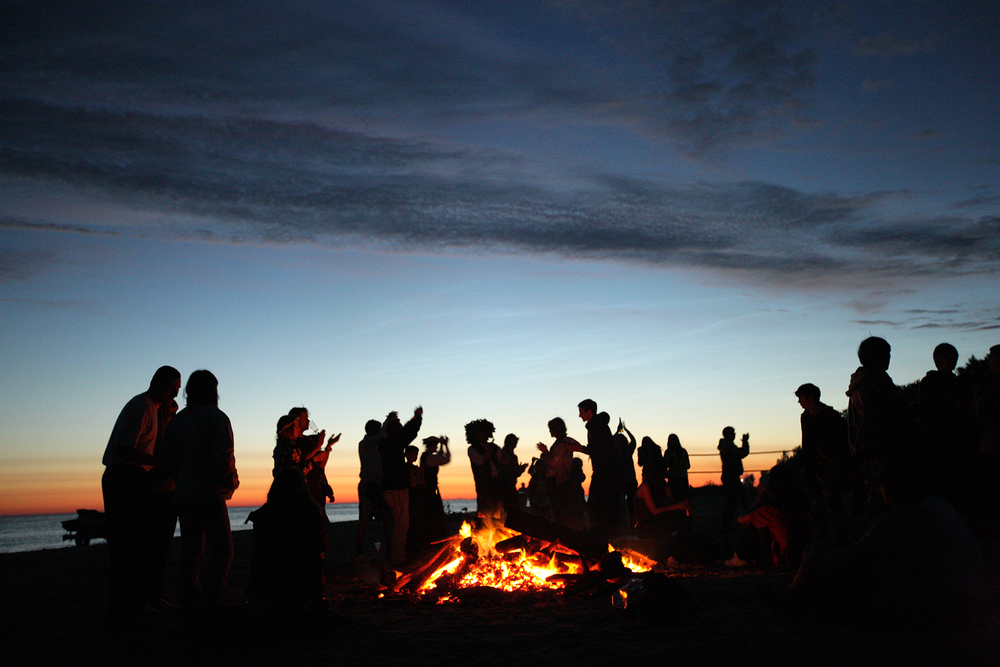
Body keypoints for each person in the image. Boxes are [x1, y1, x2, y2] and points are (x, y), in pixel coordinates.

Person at [101, 365, 181, 623]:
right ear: (159, 383)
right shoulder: (142, 407)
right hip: (124, 477)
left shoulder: (153, 410)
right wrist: (157, 463)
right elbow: (124, 449)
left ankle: (145, 598)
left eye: (177, 390)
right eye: (172, 388)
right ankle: (130, 604)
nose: (174, 394)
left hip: (133, 478)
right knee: (128, 545)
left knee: (140, 544)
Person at [159, 370, 239, 609]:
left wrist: (183, 478)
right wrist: (231, 482)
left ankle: (189, 603)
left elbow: (167, 462)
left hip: (184, 496)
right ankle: (209, 603)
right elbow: (224, 458)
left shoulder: (178, 421)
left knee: (191, 552)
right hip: (210, 495)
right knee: (223, 551)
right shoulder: (216, 417)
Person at [845, 336, 912, 516]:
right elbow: (899, 410)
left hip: (864, 453)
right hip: (881, 450)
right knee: (889, 506)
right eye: (887, 354)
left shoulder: (859, 383)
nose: (890, 358)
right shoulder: (878, 380)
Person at [247, 467, 328, 610]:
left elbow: (259, 553)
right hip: (299, 587)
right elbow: (320, 551)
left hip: (265, 589)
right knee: (315, 557)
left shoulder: (264, 514)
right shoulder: (310, 513)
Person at [794, 383, 851, 524]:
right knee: (820, 500)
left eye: (801, 398)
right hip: (814, 465)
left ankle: (839, 532)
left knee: (832, 499)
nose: (799, 401)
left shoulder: (829, 416)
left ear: (810, 398)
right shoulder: (807, 417)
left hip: (829, 465)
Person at [379, 407, 423, 566]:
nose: (400, 428)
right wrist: (416, 418)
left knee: (396, 522)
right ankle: (398, 558)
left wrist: (389, 420)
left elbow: (398, 432)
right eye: (398, 426)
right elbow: (409, 433)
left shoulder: (382, 442)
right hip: (397, 487)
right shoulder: (395, 442)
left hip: (388, 487)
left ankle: (395, 554)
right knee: (401, 524)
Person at [579, 398, 623, 540]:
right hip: (606, 471)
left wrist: (579, 448)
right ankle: (606, 535)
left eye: (581, 412)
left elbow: (597, 449)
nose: (580, 416)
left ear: (589, 411)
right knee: (602, 504)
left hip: (605, 472)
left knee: (596, 505)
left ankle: (602, 536)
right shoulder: (598, 425)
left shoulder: (597, 427)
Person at [536, 417, 587, 530]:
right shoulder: (563, 443)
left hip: (559, 482)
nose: (550, 432)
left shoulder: (562, 444)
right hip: (559, 481)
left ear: (555, 430)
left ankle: (564, 537)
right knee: (560, 513)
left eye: (551, 429)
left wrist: (545, 452)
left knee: (561, 513)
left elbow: (555, 464)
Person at [288, 407, 340, 515]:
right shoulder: (292, 444)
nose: (308, 421)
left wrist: (328, 447)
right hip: (305, 486)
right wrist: (318, 447)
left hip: (316, 484)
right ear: (295, 420)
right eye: (305, 418)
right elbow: (302, 461)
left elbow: (320, 466)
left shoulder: (310, 440)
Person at [355, 419, 384, 558]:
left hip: (378, 484)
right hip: (368, 484)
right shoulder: (365, 443)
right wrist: (388, 422)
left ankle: (383, 546)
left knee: (383, 515)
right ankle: (359, 547)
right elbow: (381, 435)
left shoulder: (376, 446)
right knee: (365, 517)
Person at [466, 418, 502, 519]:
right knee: (484, 510)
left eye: (483, 433)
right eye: (479, 434)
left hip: (496, 483)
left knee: (497, 509)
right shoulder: (472, 449)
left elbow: (502, 459)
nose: (481, 436)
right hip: (483, 484)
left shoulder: (494, 447)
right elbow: (480, 461)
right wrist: (489, 451)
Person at [718, 426, 750, 532]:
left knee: (733, 501)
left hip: (729, 476)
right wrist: (745, 442)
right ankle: (751, 520)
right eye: (733, 433)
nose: (734, 435)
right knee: (740, 500)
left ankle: (726, 526)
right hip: (731, 476)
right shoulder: (729, 446)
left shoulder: (726, 446)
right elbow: (742, 453)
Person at [498, 433, 528, 513]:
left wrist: (520, 469)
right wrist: (520, 469)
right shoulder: (505, 455)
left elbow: (515, 473)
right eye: (514, 443)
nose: (515, 446)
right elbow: (511, 472)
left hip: (508, 487)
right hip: (505, 487)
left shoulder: (510, 456)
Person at [616, 421, 638, 521]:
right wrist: (625, 430)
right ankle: (631, 522)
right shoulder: (628, 450)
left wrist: (618, 430)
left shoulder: (617, 452)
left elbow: (609, 441)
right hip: (628, 480)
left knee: (623, 503)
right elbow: (633, 441)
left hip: (622, 481)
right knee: (630, 503)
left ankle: (627, 522)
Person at [663, 434, 691, 502]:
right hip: (673, 478)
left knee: (683, 497)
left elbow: (688, 465)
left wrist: (679, 464)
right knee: (673, 498)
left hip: (682, 477)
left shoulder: (683, 452)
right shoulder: (668, 452)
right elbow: (665, 465)